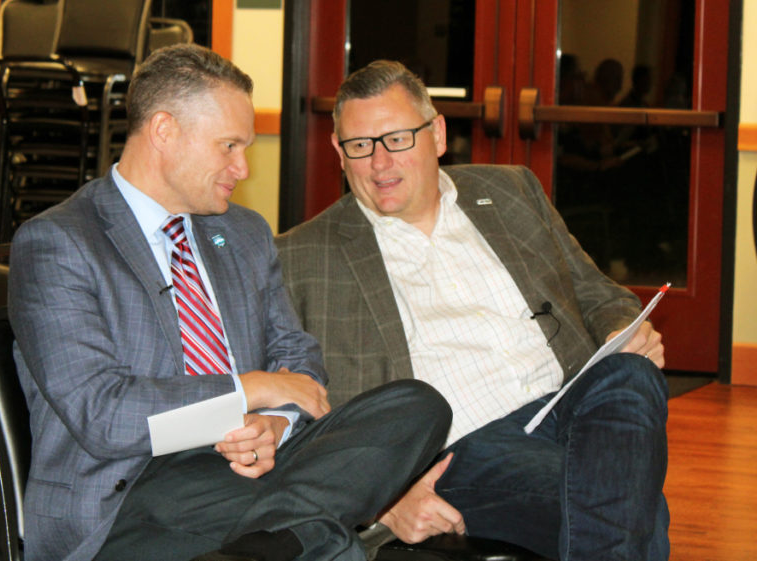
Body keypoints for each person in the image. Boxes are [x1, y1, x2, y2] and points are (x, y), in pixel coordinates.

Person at [8, 46, 451, 561]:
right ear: (164, 131)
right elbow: (103, 416)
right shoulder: (60, 242)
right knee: (330, 537)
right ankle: (303, 535)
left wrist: (276, 425)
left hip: (252, 473)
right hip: (132, 496)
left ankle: (272, 542)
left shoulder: (241, 232)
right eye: (229, 146)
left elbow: (298, 358)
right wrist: (250, 392)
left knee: (418, 406)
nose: (243, 167)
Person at [276, 60, 670, 561]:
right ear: (338, 152)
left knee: (631, 375)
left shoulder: (511, 191)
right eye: (360, 146)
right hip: (462, 444)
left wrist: (623, 329)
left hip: (568, 403)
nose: (380, 164)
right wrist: (381, 499)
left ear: (436, 134)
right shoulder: (301, 257)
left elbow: (601, 295)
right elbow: (290, 406)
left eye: (396, 139)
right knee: (633, 498)